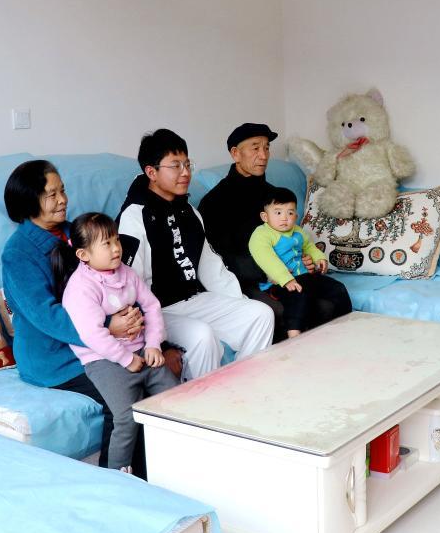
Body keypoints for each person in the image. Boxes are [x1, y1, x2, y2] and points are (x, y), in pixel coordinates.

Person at [1, 160, 143, 467]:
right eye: (51, 195)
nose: (63, 200)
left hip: (97, 342)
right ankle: (117, 479)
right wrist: (108, 326)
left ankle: (154, 475)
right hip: (55, 357)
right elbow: (47, 316)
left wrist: (131, 318)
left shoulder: (74, 233)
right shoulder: (18, 254)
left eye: (62, 191)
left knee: (154, 374)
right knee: (126, 395)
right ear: (29, 202)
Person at [117, 129, 274, 381]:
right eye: (175, 166)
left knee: (260, 314)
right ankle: (202, 401)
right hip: (158, 310)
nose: (185, 172)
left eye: (187, 164)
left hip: (194, 300)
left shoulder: (189, 211)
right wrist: (158, 343)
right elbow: (129, 286)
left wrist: (239, 303)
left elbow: (212, 269)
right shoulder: (134, 216)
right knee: (202, 335)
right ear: (151, 172)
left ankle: (247, 386)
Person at [52, 212, 179, 473]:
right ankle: (119, 474)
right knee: (125, 415)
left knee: (175, 397)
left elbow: (152, 306)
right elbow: (92, 334)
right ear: (83, 255)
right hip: (103, 359)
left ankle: (175, 459)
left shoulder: (127, 273)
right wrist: (126, 359)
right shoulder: (81, 288)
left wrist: (153, 344)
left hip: (141, 349)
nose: (116, 248)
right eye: (106, 244)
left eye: (116, 240)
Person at [198, 122, 326, 341]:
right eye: (255, 148)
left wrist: (303, 258)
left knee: (327, 300)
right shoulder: (214, 202)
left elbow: (293, 236)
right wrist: (269, 272)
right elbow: (218, 257)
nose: (264, 155)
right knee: (278, 313)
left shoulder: (274, 196)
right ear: (235, 154)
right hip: (248, 280)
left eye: (267, 148)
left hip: (289, 274)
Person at [248, 187, 352, 338]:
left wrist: (319, 258)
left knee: (338, 288)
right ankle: (294, 334)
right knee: (298, 295)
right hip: (279, 283)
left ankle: (346, 323)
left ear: (296, 216)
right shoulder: (261, 235)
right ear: (265, 216)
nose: (284, 218)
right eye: (278, 213)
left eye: (290, 213)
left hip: (304, 277)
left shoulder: (298, 231)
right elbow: (266, 259)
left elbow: (309, 246)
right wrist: (285, 278)